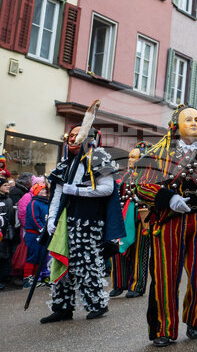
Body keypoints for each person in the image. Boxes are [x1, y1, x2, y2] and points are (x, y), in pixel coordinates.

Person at [134, 106, 197, 347]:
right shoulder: (159, 153)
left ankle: (194, 319)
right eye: (187, 119)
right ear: (175, 125)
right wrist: (168, 198)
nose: (193, 123)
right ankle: (163, 329)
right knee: (164, 276)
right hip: (169, 221)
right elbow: (140, 185)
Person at [41, 122, 123, 324]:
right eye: (71, 134)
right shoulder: (64, 164)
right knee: (60, 261)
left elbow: (107, 188)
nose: (72, 137)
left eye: (78, 134)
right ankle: (62, 307)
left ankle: (96, 304)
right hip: (65, 221)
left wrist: (78, 190)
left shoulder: (99, 158)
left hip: (89, 221)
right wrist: (51, 218)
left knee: (86, 262)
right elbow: (57, 194)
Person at [109, 142, 152, 298]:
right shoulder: (125, 176)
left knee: (139, 252)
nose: (131, 160)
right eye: (130, 156)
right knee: (118, 249)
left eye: (134, 157)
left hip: (141, 217)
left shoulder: (149, 176)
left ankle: (137, 285)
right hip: (122, 217)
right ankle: (119, 284)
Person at [21, 183, 49, 288]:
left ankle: (35, 278)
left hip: (42, 234)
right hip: (34, 235)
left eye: (45, 190)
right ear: (37, 191)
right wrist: (42, 229)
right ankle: (27, 279)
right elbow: (34, 218)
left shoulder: (46, 203)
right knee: (32, 257)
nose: (44, 192)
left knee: (40, 257)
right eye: (42, 190)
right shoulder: (34, 203)